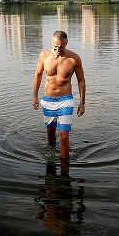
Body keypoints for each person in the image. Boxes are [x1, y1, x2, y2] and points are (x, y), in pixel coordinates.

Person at [32, 31, 86, 159]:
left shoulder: (74, 59)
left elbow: (81, 80)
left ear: (66, 43)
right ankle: (51, 159)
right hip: (48, 99)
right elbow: (38, 75)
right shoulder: (44, 55)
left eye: (61, 47)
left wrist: (82, 103)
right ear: (52, 43)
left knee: (64, 137)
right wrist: (35, 96)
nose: (58, 49)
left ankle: (64, 168)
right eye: (55, 46)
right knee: (50, 134)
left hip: (65, 100)